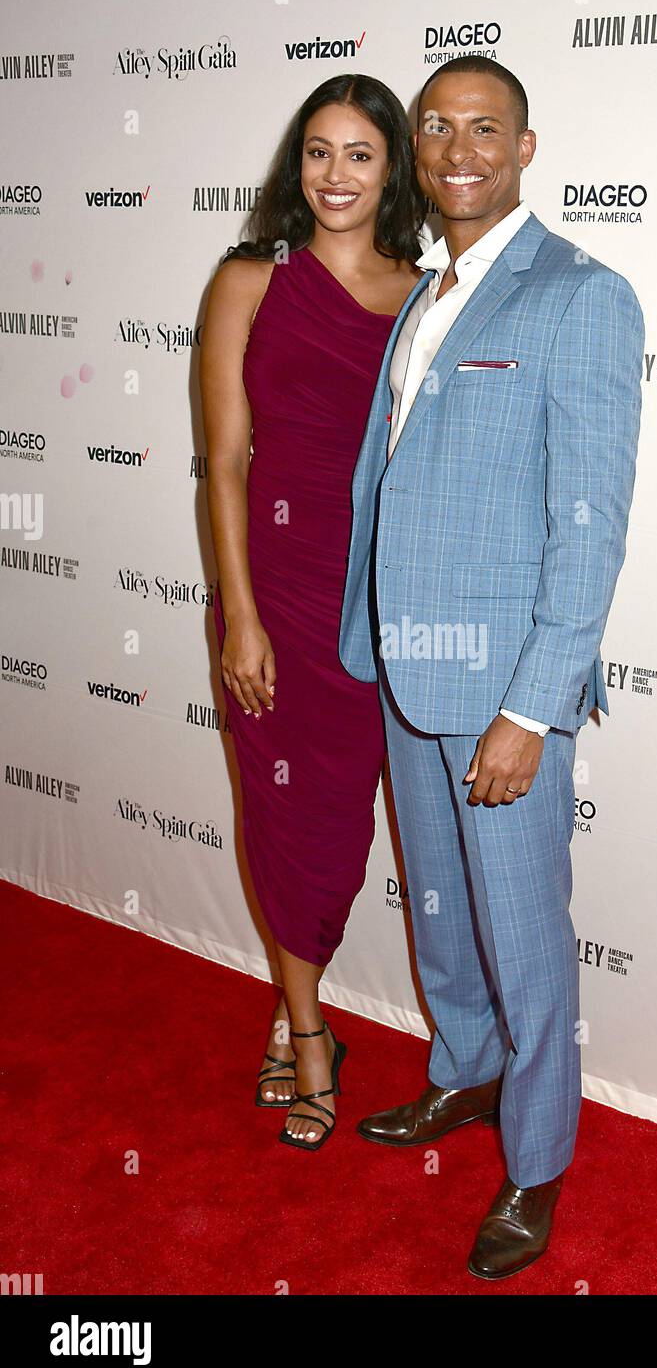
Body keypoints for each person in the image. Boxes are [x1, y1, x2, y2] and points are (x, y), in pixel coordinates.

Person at [338, 56, 644, 1274]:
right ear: (417, 150)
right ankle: (463, 1078)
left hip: (502, 685)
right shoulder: (428, 291)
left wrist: (532, 704)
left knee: (522, 932)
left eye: (484, 129)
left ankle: (535, 1162)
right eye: (435, 130)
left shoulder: (581, 294)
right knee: (447, 923)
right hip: (412, 665)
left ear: (524, 146)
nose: (456, 149)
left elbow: (589, 523)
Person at [201, 75, 424, 1151]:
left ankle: (299, 1016)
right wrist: (240, 615)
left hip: (382, 603)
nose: (334, 176)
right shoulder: (250, 280)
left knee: (343, 828)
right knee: (290, 820)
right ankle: (305, 1033)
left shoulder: (428, 292)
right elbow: (225, 463)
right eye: (317, 152)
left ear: (394, 171)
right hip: (277, 597)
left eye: (359, 155)